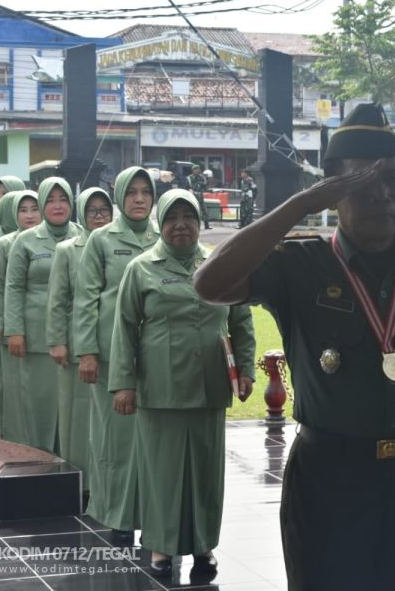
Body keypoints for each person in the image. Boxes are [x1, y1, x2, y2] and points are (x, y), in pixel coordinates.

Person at [193, 103, 395, 591]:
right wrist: (299, 206)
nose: (383, 195)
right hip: (330, 480)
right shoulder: (299, 264)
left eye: (394, 179)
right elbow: (209, 282)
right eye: (363, 182)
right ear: (331, 189)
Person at [110, 190, 256, 576]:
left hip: (210, 384)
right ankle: (160, 546)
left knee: (206, 472)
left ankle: (204, 545)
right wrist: (124, 384)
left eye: (188, 217)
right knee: (163, 471)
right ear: (160, 222)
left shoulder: (219, 266)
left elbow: (240, 321)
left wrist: (246, 369)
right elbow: (124, 328)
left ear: (198, 222)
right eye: (172, 217)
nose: (180, 225)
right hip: (160, 387)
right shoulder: (141, 268)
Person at [74, 166, 160, 539]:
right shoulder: (102, 240)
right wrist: (88, 351)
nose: (139, 199)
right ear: (120, 197)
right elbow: (87, 297)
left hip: (156, 356)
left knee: (154, 439)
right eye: (132, 192)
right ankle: (117, 515)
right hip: (110, 355)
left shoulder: (164, 235)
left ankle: (155, 514)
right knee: (115, 440)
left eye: (146, 192)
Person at [4, 178, 82, 452]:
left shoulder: (84, 237)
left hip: (74, 335)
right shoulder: (25, 241)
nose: (57, 206)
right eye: (50, 200)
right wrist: (15, 330)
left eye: (63, 199)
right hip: (36, 336)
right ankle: (38, 463)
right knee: (39, 405)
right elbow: (13, 287)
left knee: (72, 407)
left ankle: (72, 465)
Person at [46, 187, 113, 498]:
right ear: (82, 215)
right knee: (77, 414)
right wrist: (58, 341)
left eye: (104, 210)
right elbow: (58, 301)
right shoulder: (68, 249)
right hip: (76, 346)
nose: (99, 217)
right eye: (92, 211)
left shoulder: (120, 245)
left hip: (113, 344)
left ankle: (106, 481)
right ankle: (81, 482)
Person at [0, 190, 41, 443]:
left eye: (34, 208)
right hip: (14, 328)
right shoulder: (5, 244)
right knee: (13, 386)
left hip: (45, 328)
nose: (30, 216)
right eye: (23, 210)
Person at [186, 164, 211, 230]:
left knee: (204, 210)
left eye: (198, 169)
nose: (197, 171)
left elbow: (205, 185)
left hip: (200, 196)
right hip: (193, 196)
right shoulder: (189, 178)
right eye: (196, 169)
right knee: (194, 211)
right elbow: (186, 187)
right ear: (193, 170)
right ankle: (194, 225)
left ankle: (207, 225)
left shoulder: (201, 177)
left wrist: (206, 181)